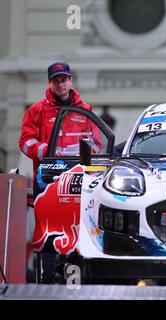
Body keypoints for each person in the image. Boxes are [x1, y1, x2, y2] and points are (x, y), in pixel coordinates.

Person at [18, 62, 97, 283]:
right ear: (50, 83)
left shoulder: (86, 111)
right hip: (48, 182)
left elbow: (96, 142)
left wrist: (93, 152)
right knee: (48, 230)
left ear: (70, 81)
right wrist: (45, 151)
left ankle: (72, 282)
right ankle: (47, 282)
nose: (61, 84)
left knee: (77, 228)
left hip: (78, 180)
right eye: (56, 81)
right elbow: (24, 142)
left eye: (64, 79)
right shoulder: (37, 111)